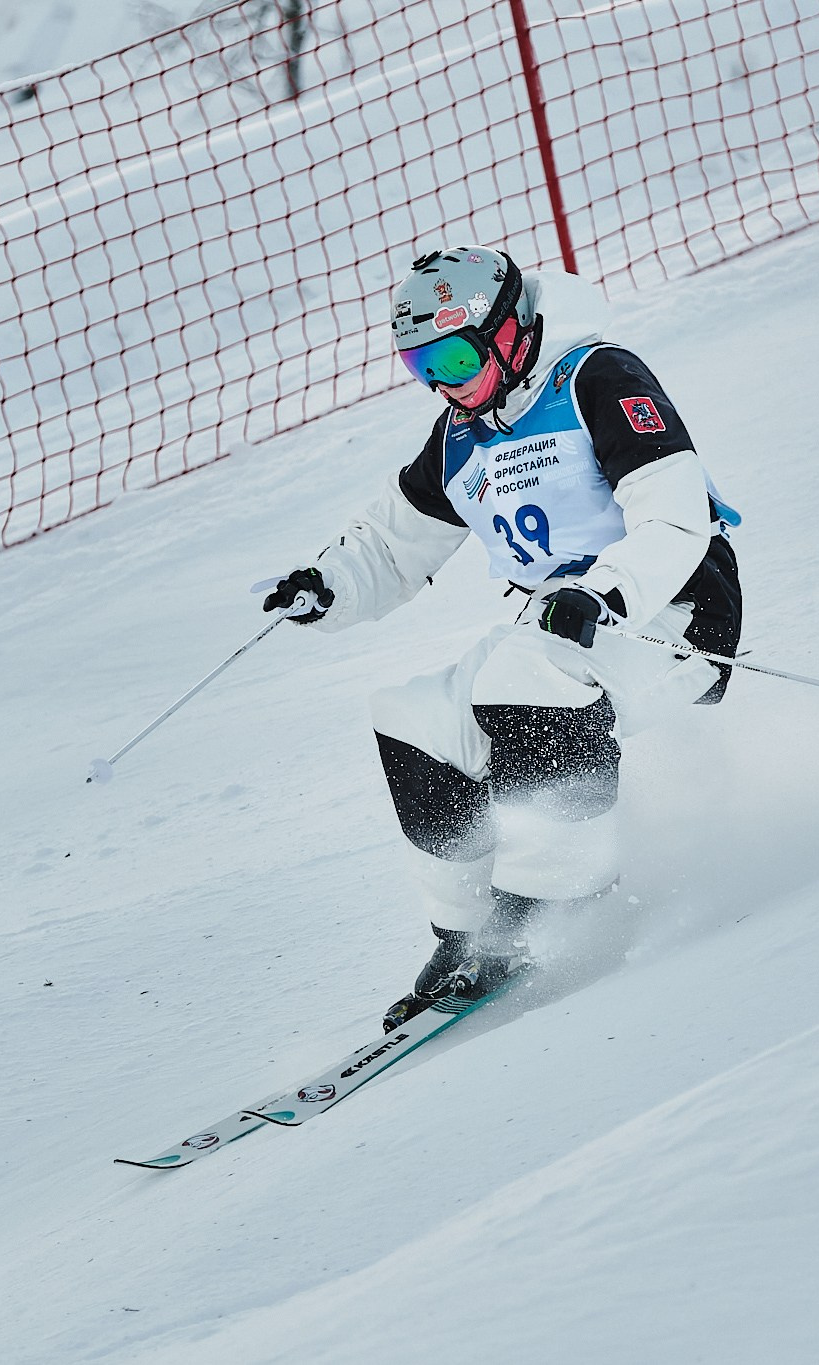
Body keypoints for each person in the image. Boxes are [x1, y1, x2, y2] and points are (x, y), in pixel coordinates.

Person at [259, 245, 742, 1029]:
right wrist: (330, 584)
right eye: (423, 368)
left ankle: (556, 903)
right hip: (558, 624)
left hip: (675, 613)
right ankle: (469, 931)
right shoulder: (462, 435)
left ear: (510, 331)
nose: (444, 384)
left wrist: (605, 591)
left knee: (520, 677)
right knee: (415, 716)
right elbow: (392, 544)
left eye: (454, 357)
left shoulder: (595, 380)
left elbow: (675, 510)